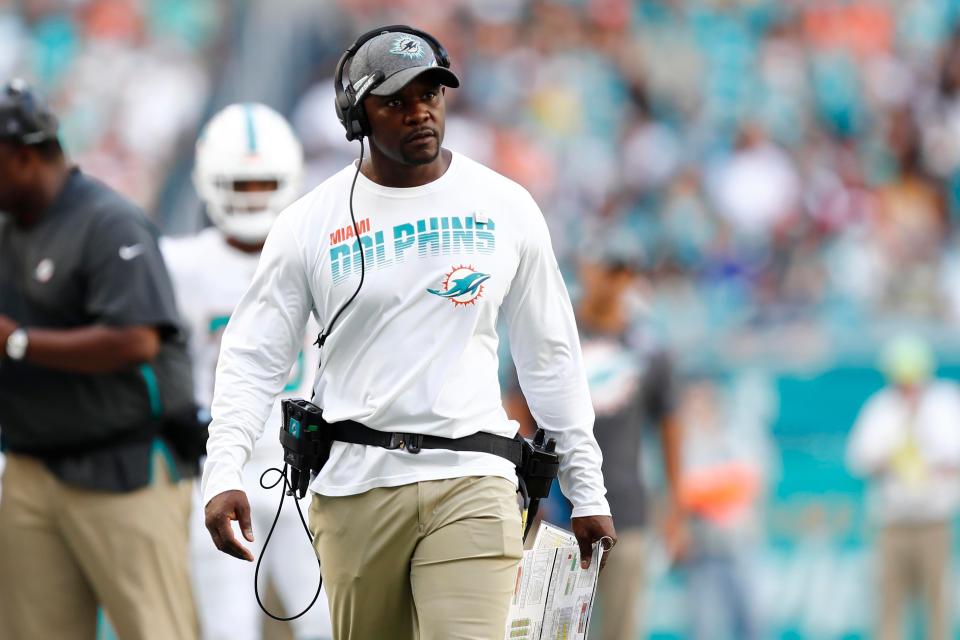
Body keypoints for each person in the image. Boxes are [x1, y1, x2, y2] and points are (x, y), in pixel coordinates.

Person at [201, 26, 616, 639]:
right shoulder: (308, 224)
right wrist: (224, 469)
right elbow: (252, 358)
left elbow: (550, 355)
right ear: (355, 117)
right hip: (354, 491)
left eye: (431, 94)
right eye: (395, 100)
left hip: (475, 480)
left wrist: (588, 489)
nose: (419, 112)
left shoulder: (506, 207)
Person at [0, 78, 199, 639]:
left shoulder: (107, 221)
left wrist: (19, 342)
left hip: (123, 468)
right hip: (31, 467)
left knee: (155, 630)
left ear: (22, 156)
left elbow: (137, 339)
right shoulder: (8, 228)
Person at [161, 102, 332, 640]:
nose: (254, 196)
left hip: (308, 466)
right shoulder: (179, 265)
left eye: (264, 183)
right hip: (220, 465)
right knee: (228, 629)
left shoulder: (319, 252)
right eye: (243, 183)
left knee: (326, 623)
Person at [574, 251, 687, 640]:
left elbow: (671, 427)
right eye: (608, 267)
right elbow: (518, 409)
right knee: (551, 628)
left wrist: (674, 506)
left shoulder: (650, 347)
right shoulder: (556, 332)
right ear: (585, 268)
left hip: (626, 508)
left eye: (624, 270)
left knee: (621, 630)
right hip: (556, 507)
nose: (614, 279)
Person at [846, 334, 960, 640]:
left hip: (934, 521)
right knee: (889, 605)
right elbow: (858, 457)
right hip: (892, 522)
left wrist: (934, 461)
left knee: (937, 605)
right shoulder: (882, 408)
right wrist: (890, 458)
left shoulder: (947, 403)